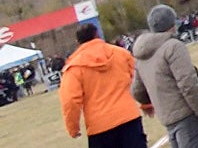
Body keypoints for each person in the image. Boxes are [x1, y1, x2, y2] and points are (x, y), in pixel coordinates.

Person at [129, 5, 198, 148]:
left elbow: (137, 91)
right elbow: (188, 82)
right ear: (172, 24)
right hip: (187, 113)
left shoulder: (141, 55)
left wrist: (157, 99)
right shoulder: (173, 46)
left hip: (167, 116)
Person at [58, 19, 145, 148]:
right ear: (97, 35)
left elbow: (70, 100)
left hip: (99, 127)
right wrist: (146, 102)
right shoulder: (121, 54)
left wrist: (73, 128)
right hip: (128, 117)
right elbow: (140, 79)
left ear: (78, 42)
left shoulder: (74, 67)